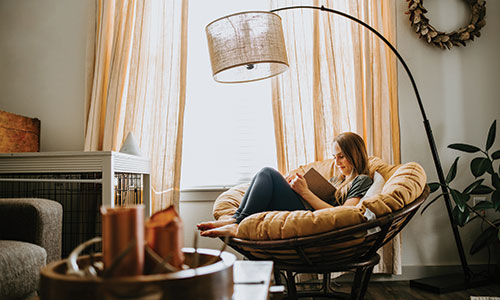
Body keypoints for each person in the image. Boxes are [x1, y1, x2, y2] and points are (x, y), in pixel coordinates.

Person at [197, 132, 373, 237]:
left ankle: (237, 222)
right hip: (305, 207)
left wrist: (304, 192)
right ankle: (236, 218)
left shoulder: (362, 180)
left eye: (341, 156)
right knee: (265, 176)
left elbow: (344, 214)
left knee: (268, 173)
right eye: (335, 157)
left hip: (313, 219)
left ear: (355, 154)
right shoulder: (338, 179)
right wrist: (296, 185)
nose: (337, 162)